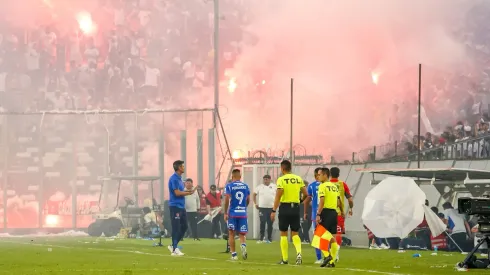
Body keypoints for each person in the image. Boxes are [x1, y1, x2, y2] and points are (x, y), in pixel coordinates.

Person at [271, 160, 308, 265]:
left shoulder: (281, 179)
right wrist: (300, 201)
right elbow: (306, 194)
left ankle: (285, 259)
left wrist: (273, 210)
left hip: (285, 208)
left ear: (282, 168)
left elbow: (278, 195)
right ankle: (299, 254)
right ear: (290, 168)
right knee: (295, 233)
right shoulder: (298, 178)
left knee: (283, 233)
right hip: (295, 208)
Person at [167, 160, 196, 256]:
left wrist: (189, 191)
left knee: (185, 226)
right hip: (175, 206)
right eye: (182, 166)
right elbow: (177, 193)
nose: (184, 167)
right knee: (176, 228)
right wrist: (189, 193)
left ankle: (173, 245)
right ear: (179, 167)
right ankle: (175, 249)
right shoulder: (173, 179)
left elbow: (181, 191)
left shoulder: (180, 179)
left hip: (181, 206)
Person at [316, 167, 342, 268]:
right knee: (332, 238)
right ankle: (332, 262)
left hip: (325, 213)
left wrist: (318, 214)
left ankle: (327, 256)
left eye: (319, 174)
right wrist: (341, 212)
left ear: (325, 175)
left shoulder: (322, 186)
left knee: (319, 236)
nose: (318, 176)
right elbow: (338, 202)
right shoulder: (334, 186)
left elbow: (322, 201)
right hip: (334, 212)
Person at [224, 169, 250, 260]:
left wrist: (225, 212)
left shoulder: (229, 186)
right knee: (242, 234)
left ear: (232, 176)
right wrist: (244, 207)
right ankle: (243, 245)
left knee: (231, 233)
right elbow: (248, 199)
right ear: (240, 176)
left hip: (232, 213)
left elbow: (227, 199)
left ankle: (234, 255)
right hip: (242, 213)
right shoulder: (246, 186)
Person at [329, 167, 354, 262]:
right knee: (338, 233)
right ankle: (336, 253)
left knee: (330, 235)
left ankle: (331, 253)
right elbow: (350, 200)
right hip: (339, 213)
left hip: (328, 213)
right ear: (338, 174)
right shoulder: (342, 184)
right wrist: (351, 208)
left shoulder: (326, 184)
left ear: (330, 174)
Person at [303, 167, 325, 264]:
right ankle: (330, 255)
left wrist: (305, 212)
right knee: (326, 236)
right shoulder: (328, 185)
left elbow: (307, 201)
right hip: (327, 213)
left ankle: (319, 258)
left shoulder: (311, 186)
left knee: (317, 236)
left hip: (316, 214)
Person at [253, 174, 276, 243]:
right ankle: (261, 238)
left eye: (267, 179)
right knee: (262, 222)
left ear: (270, 179)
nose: (265, 181)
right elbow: (254, 194)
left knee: (270, 223)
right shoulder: (260, 187)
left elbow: (279, 194)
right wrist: (255, 203)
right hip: (262, 208)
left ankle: (269, 238)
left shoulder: (274, 186)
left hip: (271, 208)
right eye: (264, 179)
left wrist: (278, 203)